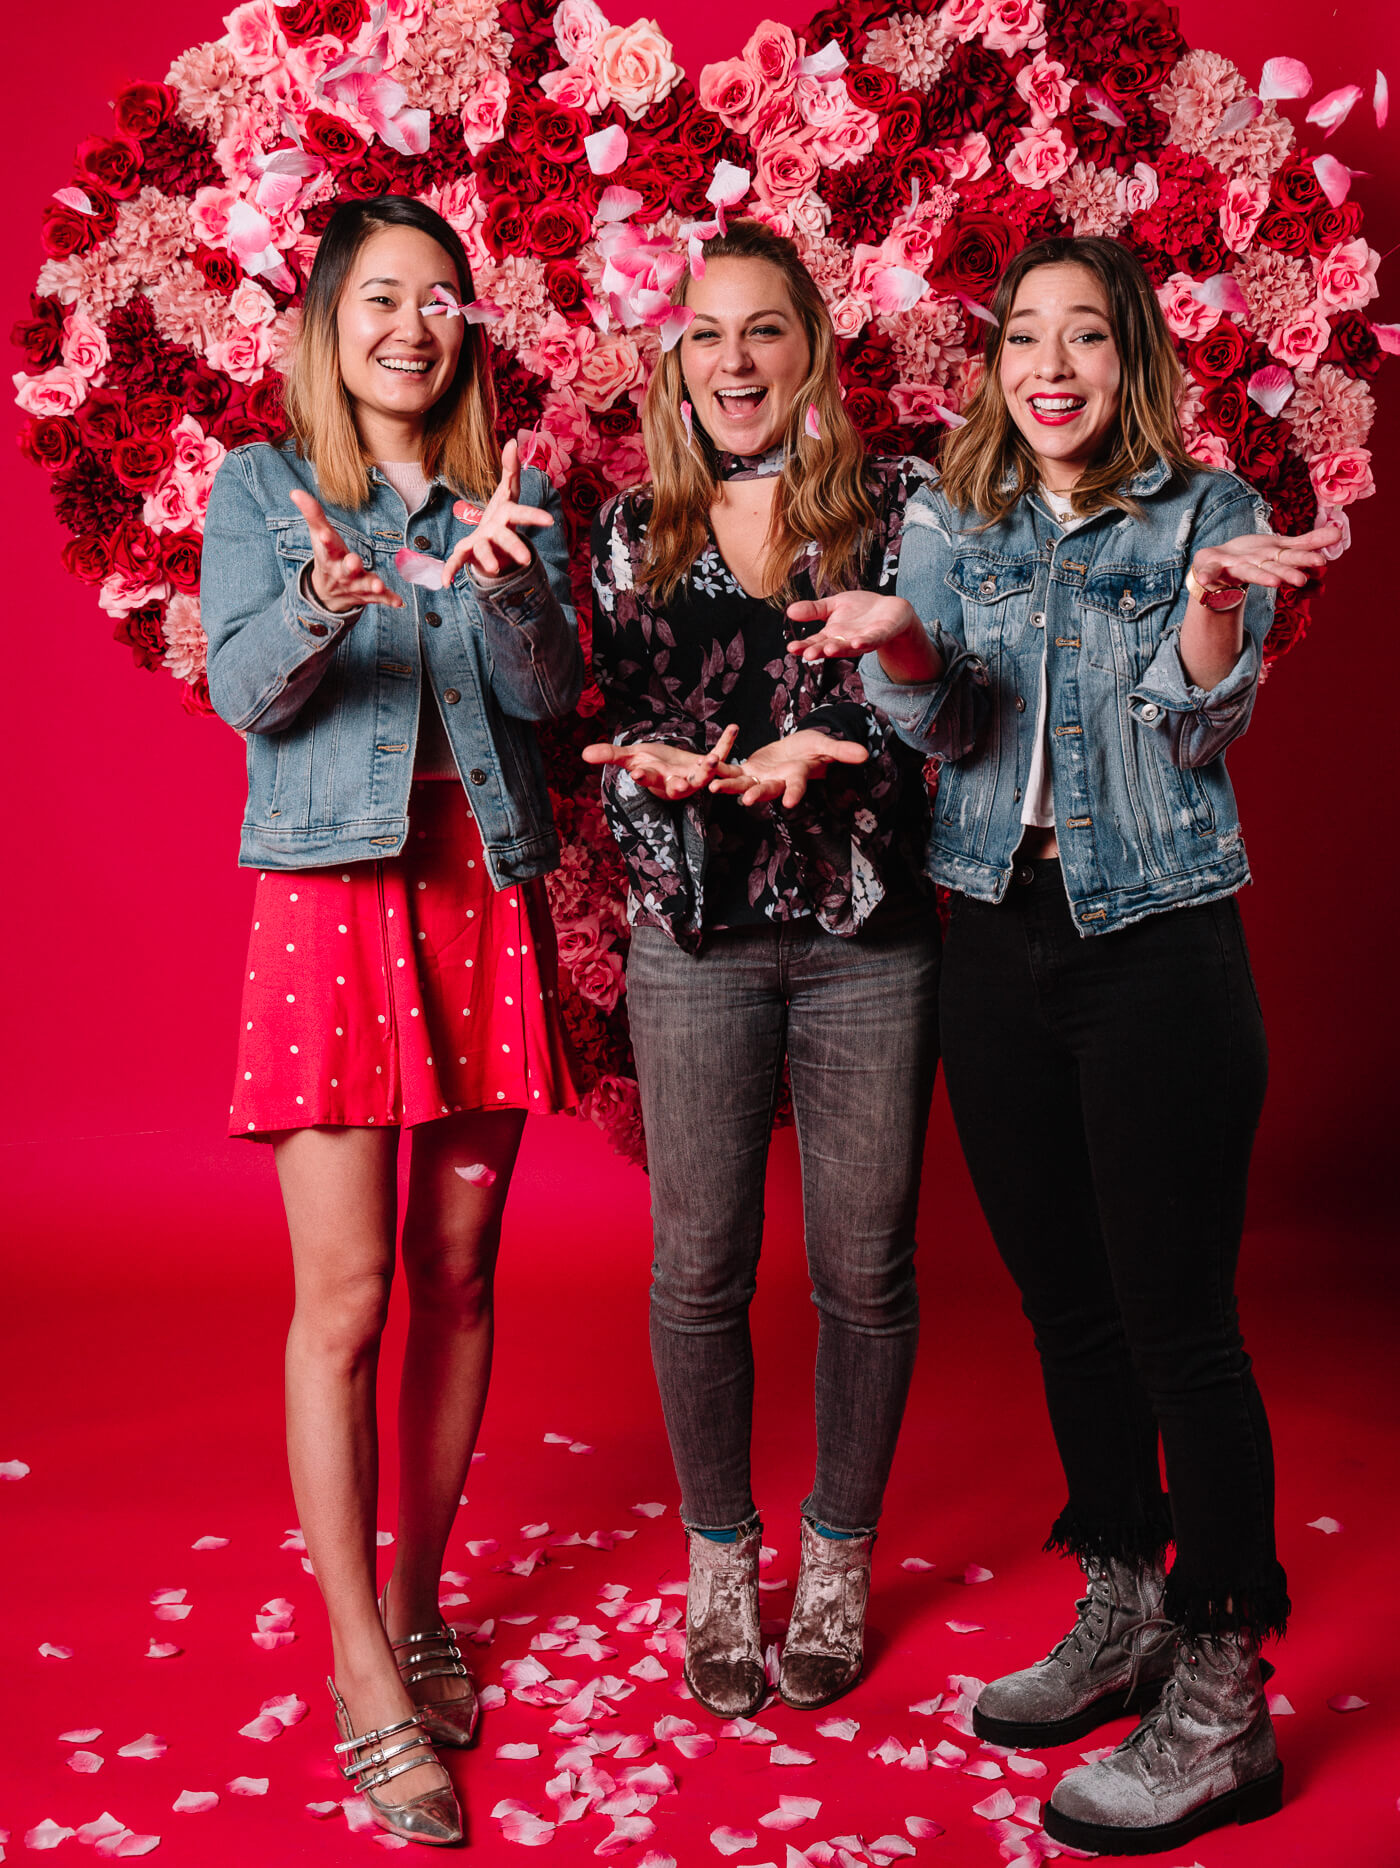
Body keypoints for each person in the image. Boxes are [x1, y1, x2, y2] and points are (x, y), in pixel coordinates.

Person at [792, 235, 1338, 1853]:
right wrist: (902, 642)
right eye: (1024, 336)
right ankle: (1125, 1607)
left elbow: (1194, 721)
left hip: (1158, 946)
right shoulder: (952, 515)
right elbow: (948, 722)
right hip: (997, 940)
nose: (1050, 365)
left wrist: (1214, 624)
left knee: (1181, 1324)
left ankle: (1224, 1693)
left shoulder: (1203, 514)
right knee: (1067, 1309)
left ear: (1129, 360)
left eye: (1083, 337)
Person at [201, 196, 583, 1847]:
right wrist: (320, 602)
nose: (415, 325)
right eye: (382, 297)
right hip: (331, 905)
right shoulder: (260, 489)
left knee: (458, 1275)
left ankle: (418, 1602)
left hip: (475, 894)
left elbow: (556, 698)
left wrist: (506, 589)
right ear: (328, 321)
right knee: (347, 1298)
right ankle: (363, 1666)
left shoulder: (517, 497)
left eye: (442, 299)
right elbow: (238, 685)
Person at [583, 217, 940, 1720]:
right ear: (677, 361)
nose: (736, 361)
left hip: (868, 938)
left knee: (863, 1272)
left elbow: (958, 705)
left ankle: (840, 1554)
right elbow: (599, 729)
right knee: (697, 1269)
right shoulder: (626, 528)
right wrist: (652, 781)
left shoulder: (904, 508)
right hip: (697, 941)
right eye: (708, 335)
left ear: (813, 354)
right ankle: (722, 1558)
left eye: (766, 331)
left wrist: (840, 747)